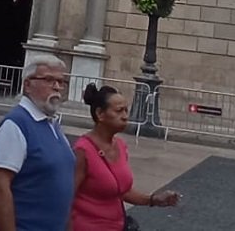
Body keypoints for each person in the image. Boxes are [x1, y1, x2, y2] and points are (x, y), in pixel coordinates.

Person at [0, 54, 76, 231]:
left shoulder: (52, 124)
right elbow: (0, 188)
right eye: (49, 80)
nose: (56, 87)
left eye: (61, 81)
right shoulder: (15, 125)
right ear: (27, 84)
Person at [70, 84, 182, 230]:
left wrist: (153, 200)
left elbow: (122, 191)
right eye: (118, 111)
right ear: (100, 114)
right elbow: (66, 196)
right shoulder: (82, 150)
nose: (125, 116)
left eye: (126, 110)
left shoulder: (121, 146)